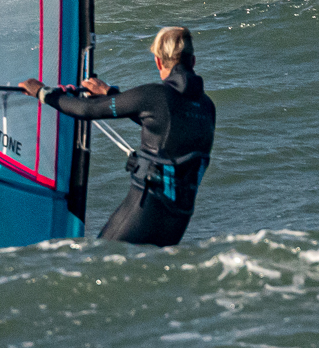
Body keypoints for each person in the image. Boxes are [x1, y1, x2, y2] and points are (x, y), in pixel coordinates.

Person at [19, 26, 216, 247]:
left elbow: (86, 110)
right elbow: (162, 123)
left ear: (159, 62)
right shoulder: (207, 107)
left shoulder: (154, 96)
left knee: (98, 260)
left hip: (144, 211)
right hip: (177, 221)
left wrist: (43, 93)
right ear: (193, 61)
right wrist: (111, 94)